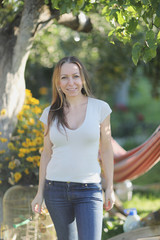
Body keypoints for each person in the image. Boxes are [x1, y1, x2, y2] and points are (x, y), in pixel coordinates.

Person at [31, 56, 115, 240]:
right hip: (55, 190)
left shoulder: (100, 108)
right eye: (64, 77)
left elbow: (107, 150)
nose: (71, 83)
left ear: (83, 78)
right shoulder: (50, 113)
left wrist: (110, 187)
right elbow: (46, 153)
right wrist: (40, 193)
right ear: (58, 82)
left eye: (75, 76)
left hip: (89, 189)